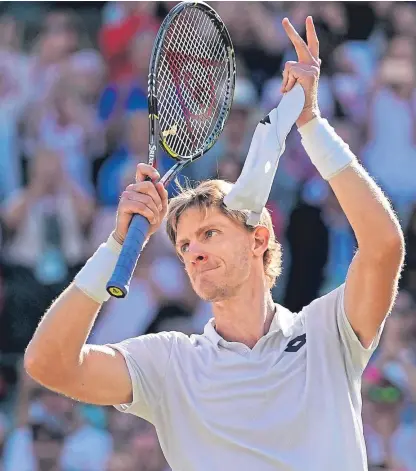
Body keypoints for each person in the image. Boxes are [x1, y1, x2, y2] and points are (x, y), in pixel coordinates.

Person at [24, 17, 404, 471]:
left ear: (259, 239)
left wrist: (311, 124)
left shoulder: (328, 332)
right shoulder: (170, 361)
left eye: (209, 234)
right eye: (183, 245)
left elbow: (382, 245)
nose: (193, 252)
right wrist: (114, 246)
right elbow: (49, 364)